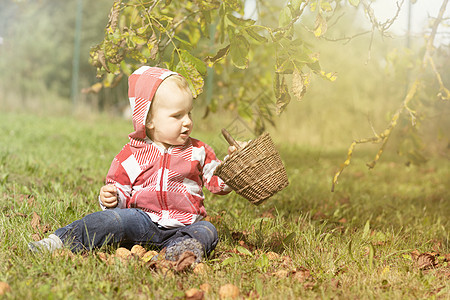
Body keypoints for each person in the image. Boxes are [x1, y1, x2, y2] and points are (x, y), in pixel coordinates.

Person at [29, 66, 242, 262]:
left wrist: (233, 166)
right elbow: (120, 188)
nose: (187, 121)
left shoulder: (198, 151)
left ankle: (174, 258)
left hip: (183, 227)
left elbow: (218, 182)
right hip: (141, 223)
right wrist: (112, 197)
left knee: (207, 230)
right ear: (148, 120)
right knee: (112, 219)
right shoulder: (133, 154)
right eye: (177, 116)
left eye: (189, 113)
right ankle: (60, 241)